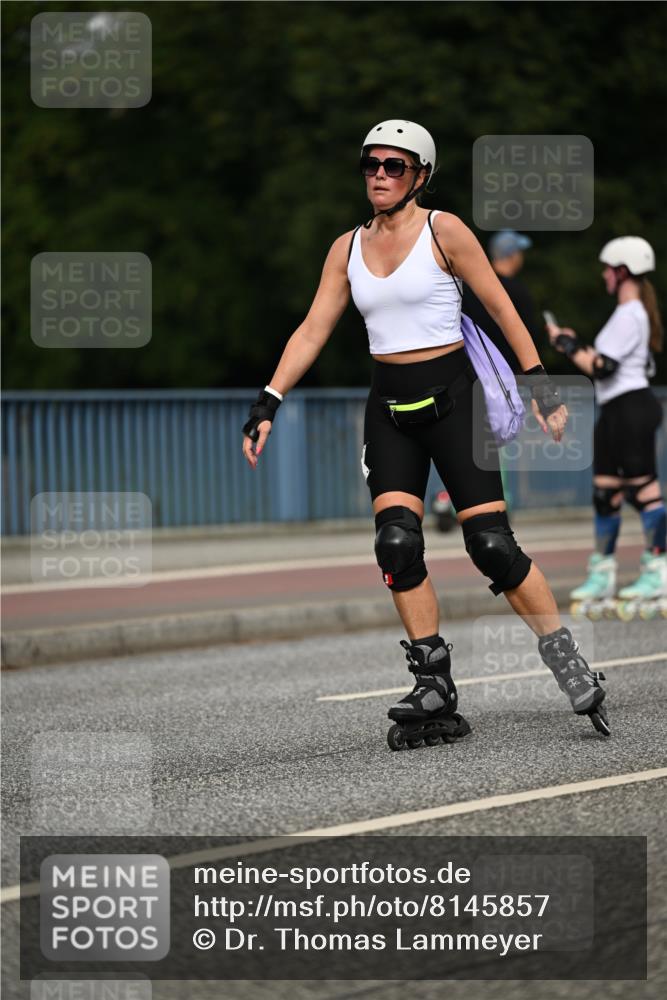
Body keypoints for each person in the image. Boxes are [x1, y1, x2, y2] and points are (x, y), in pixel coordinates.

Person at [242, 119, 610, 742]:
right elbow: (312, 329)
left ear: (420, 175)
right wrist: (268, 402)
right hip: (389, 407)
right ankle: (433, 683)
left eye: (394, 166)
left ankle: (567, 660)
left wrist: (541, 387)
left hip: (456, 402)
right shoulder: (346, 248)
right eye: (371, 164)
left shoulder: (445, 231)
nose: (379, 175)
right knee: (396, 543)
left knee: (490, 545)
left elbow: (500, 305)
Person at [547, 236, 666, 616]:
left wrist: (567, 346)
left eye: (607, 268)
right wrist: (572, 343)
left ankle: (658, 570)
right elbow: (603, 361)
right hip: (616, 410)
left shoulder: (631, 313)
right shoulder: (629, 313)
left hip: (631, 409)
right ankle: (603, 574)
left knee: (645, 492)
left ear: (622, 271)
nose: (603, 275)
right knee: (606, 494)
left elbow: (604, 367)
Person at [462, 229, 540, 374]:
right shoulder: (518, 291)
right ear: (513, 255)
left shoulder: (471, 288)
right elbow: (530, 336)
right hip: (512, 374)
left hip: (477, 372)